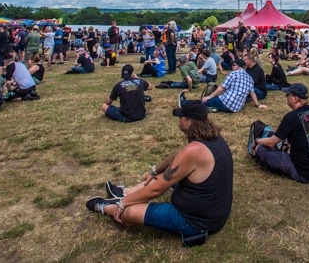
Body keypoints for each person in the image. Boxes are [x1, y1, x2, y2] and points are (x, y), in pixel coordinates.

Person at [87, 99, 233, 245]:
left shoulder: (194, 150)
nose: (179, 120)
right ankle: (126, 193)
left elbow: (156, 190)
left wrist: (123, 204)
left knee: (130, 214)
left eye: (180, 117)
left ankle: (108, 207)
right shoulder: (211, 137)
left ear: (188, 121)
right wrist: (155, 169)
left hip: (196, 222)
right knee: (163, 174)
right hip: (213, 210)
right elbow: (180, 156)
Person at [252, 83, 309, 183]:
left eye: (287, 95)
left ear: (295, 98)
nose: (286, 97)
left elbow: (271, 143)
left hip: (305, 173)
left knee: (261, 148)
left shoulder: (291, 117)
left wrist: (257, 141)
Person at [201, 58, 265, 112]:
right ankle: (214, 108)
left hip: (226, 103)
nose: (232, 66)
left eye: (234, 65)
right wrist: (257, 105)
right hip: (237, 108)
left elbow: (222, 88)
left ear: (238, 67)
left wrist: (209, 97)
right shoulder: (250, 78)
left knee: (202, 102)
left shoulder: (233, 74)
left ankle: (204, 107)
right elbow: (252, 93)